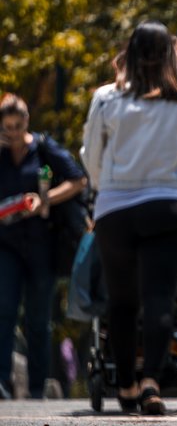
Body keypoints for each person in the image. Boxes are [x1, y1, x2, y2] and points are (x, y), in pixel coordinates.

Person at [80, 21, 177, 415]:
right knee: (160, 296)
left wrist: (110, 187)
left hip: (116, 209)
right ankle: (153, 381)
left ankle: (124, 384)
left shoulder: (106, 99)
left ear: (130, 53)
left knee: (122, 301)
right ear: (172, 53)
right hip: (168, 205)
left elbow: (91, 154)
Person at [0, 93, 88, 399]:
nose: (11, 133)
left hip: (41, 245)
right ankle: (2, 383)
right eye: (6, 127)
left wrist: (45, 200)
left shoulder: (43, 147)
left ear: (26, 121)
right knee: (4, 310)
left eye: (16, 125)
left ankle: (37, 388)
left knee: (38, 318)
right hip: (7, 245)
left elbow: (78, 180)